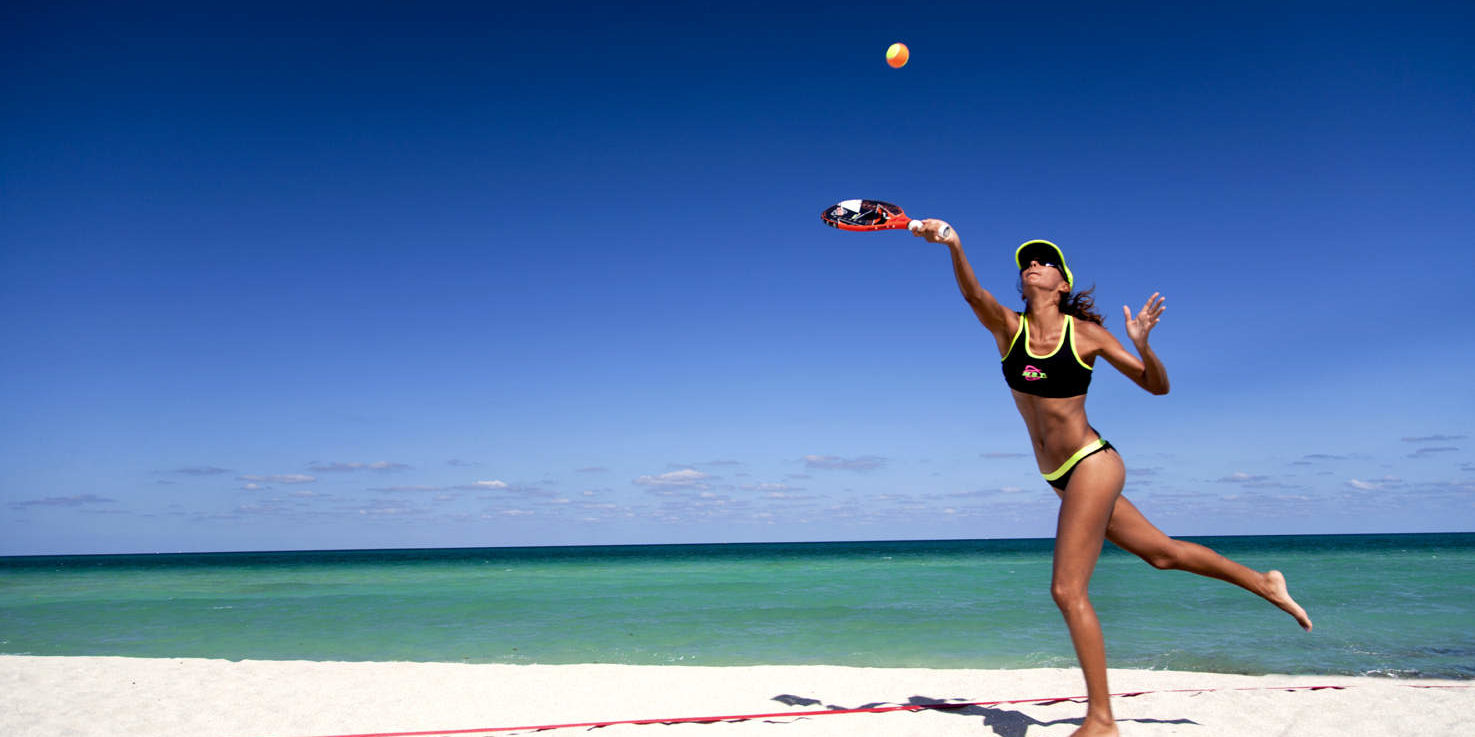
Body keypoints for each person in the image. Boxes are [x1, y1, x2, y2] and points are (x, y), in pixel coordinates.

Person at [911, 221, 1312, 737]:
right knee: (1162, 554)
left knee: (1066, 589)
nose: (1033, 265)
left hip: (1092, 462)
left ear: (1062, 284)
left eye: (1046, 262)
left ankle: (1101, 720)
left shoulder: (1088, 337)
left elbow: (1157, 387)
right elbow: (972, 292)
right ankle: (1263, 581)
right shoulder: (1007, 330)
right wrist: (953, 245)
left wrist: (1144, 346)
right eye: (1027, 262)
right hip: (1060, 476)